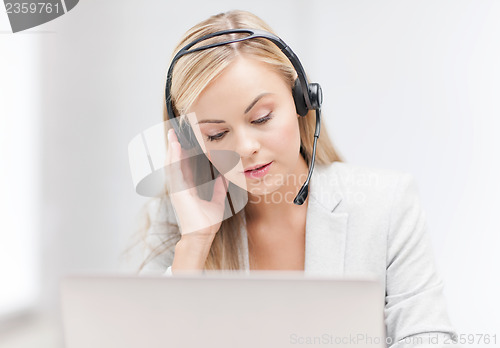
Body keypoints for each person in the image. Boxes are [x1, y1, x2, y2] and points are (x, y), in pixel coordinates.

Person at [137, 9, 458, 347]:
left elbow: (428, 338)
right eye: (216, 135)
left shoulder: (387, 204)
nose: (246, 148)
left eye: (261, 118)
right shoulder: (177, 221)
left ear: (302, 101)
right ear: (191, 144)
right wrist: (195, 245)